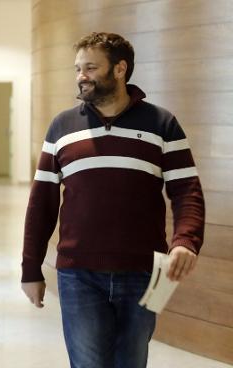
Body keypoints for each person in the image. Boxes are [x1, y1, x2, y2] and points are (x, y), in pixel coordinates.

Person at [21, 32, 205, 368]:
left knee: (132, 363)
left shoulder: (162, 124)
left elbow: (186, 189)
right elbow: (41, 204)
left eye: (90, 67)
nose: (81, 76)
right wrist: (31, 268)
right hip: (78, 275)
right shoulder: (61, 127)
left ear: (120, 69)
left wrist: (186, 241)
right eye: (78, 68)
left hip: (143, 271)